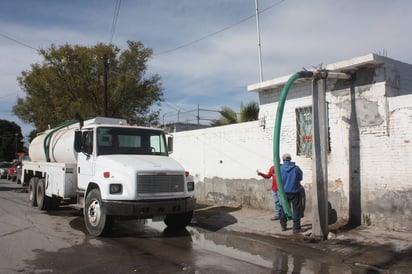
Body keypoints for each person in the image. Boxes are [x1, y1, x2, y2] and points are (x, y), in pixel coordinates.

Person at [278, 153, 303, 233]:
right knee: (296, 210)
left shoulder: (280, 169)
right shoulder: (296, 168)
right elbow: (300, 177)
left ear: (283, 160)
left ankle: (283, 225)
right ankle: (296, 227)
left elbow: (277, 180)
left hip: (284, 192)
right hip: (295, 191)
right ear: (290, 159)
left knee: (283, 208)